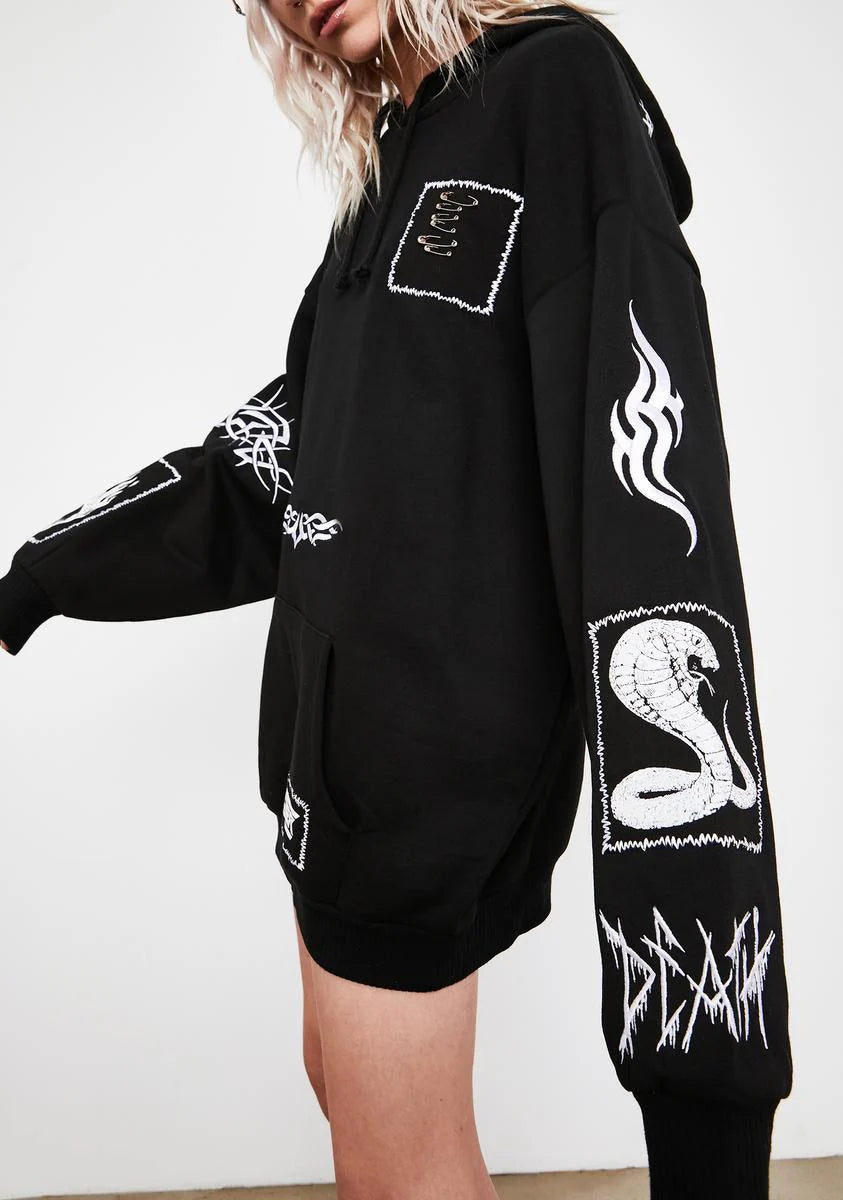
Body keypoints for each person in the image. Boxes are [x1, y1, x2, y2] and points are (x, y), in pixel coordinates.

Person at [0, 1, 794, 1197]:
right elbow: (276, 464)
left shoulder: (557, 91)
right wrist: (33, 580)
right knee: (342, 1086)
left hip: (428, 802)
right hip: (329, 787)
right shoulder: (386, 169)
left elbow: (654, 536)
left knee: (395, 1170)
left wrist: (707, 1100)